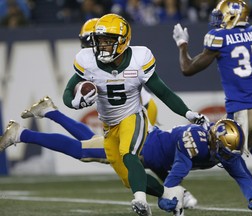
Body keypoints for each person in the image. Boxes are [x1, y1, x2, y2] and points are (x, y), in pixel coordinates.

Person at [0, 96, 252, 216]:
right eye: (224, 151)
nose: (227, 156)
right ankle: (21, 134)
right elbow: (175, 174)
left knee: (86, 143)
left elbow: (240, 172)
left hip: (152, 147)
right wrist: (171, 194)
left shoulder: (223, 145)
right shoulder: (195, 142)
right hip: (138, 146)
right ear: (214, 140)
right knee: (82, 151)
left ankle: (48, 111)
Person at [62, 13, 208, 216]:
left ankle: (140, 201)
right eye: (100, 41)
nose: (101, 45)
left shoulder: (139, 58)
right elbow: (68, 92)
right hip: (108, 125)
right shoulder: (87, 61)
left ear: (122, 41)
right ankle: (172, 196)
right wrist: (74, 103)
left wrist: (188, 113)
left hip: (133, 115)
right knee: (127, 178)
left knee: (129, 153)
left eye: (107, 41)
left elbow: (163, 92)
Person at [172, 0, 252, 203]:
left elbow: (187, 69)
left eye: (220, 15)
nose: (217, 20)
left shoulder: (219, 38)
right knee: (250, 142)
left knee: (223, 153)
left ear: (231, 16)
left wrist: (182, 45)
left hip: (243, 110)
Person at [78, 17, 159, 126]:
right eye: (86, 42)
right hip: (121, 115)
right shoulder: (91, 62)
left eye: (95, 41)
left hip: (141, 108)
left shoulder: (115, 60)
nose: (91, 47)